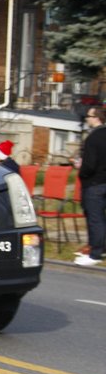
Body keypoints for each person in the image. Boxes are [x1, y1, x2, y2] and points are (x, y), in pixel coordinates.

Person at [74, 106, 106, 267]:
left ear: (96, 118)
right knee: (100, 219)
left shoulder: (93, 138)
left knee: (95, 219)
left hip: (94, 183)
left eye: (88, 116)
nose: (86, 119)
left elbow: (89, 165)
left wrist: (82, 172)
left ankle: (95, 254)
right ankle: (101, 247)